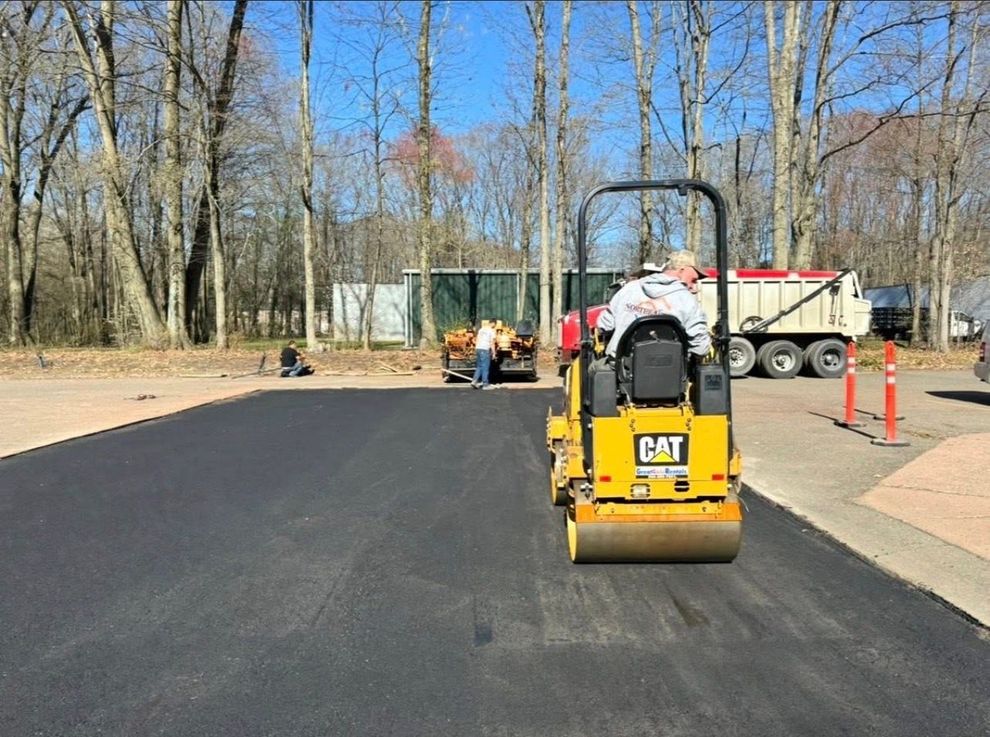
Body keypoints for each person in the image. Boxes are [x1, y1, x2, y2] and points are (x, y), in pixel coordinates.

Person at [597, 249, 711, 358]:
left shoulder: (629, 288)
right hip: (669, 370)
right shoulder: (688, 300)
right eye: (693, 280)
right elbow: (700, 348)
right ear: (682, 270)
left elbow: (604, 325)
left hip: (623, 370)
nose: (694, 288)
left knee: (594, 369)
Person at [471, 319, 498, 390]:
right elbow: (492, 343)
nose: (495, 326)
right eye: (495, 324)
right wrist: (494, 353)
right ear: (493, 323)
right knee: (485, 367)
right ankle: (485, 384)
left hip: (478, 348)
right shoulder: (492, 331)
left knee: (479, 366)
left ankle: (474, 381)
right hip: (485, 349)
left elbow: (477, 339)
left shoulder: (481, 329)